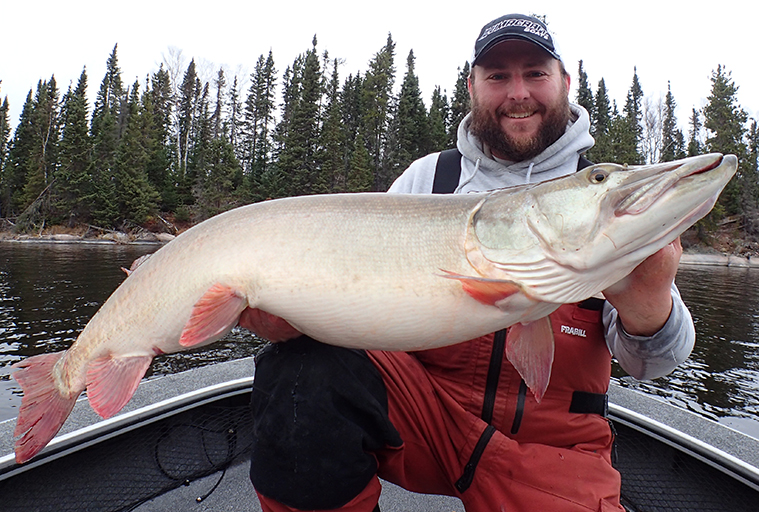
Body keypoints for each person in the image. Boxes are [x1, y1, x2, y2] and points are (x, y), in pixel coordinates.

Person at [248, 13, 695, 512]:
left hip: (554, 450)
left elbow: (652, 363)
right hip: (427, 418)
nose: (518, 92)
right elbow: (358, 299)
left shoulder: (605, 200)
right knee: (302, 370)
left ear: (565, 83)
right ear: (473, 87)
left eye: (536, 73)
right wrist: (295, 318)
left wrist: (650, 303)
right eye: (498, 76)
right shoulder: (427, 180)